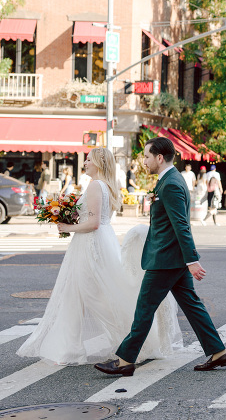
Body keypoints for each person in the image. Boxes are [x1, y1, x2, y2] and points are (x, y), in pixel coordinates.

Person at [17, 147, 182, 365]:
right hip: (96, 242)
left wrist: (67, 226)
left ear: (98, 164)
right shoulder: (104, 186)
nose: (84, 163)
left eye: (88, 160)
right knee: (76, 295)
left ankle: (131, 341)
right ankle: (70, 349)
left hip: (91, 245)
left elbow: (93, 223)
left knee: (98, 298)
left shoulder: (96, 186)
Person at [95, 137, 226, 377]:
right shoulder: (170, 180)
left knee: (144, 309)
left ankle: (125, 360)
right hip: (172, 258)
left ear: (159, 157)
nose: (144, 161)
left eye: (147, 156)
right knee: (191, 305)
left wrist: (192, 260)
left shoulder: (170, 184)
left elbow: (181, 225)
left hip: (166, 259)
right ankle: (218, 352)